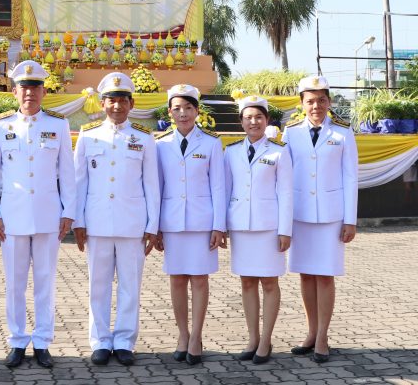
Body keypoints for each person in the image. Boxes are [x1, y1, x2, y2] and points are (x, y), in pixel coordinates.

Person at [0, 60, 76, 369]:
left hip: (49, 215)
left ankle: (43, 341)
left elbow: (68, 172)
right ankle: (17, 340)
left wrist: (69, 211)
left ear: (44, 91)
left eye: (35, 87)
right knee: (14, 282)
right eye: (24, 88)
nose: (29, 93)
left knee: (45, 281)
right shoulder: (0, 125)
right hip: (12, 216)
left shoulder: (58, 124)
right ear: (14, 92)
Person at [73, 72, 160, 366]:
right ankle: (100, 341)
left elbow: (152, 184)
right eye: (111, 100)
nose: (117, 106)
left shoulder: (144, 138)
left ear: (131, 104)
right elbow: (79, 182)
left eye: (123, 100)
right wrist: (78, 222)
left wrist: (152, 224)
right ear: (102, 103)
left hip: (132, 223)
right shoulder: (88, 135)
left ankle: (124, 341)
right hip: (97, 222)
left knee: (130, 286)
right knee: (97, 285)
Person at [283, 75, 358, 364]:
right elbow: (284, 177)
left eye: (322, 100)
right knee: (305, 274)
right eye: (311, 101)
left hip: (330, 216)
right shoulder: (291, 132)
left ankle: (324, 336)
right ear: (302, 104)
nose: (316, 106)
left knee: (325, 275)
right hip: (300, 214)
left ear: (329, 102)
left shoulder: (342, 132)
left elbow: (350, 177)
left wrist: (350, 220)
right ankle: (311, 332)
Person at [155, 83, 226, 366]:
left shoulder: (211, 143)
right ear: (169, 112)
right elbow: (157, 187)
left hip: (201, 222)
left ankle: (196, 336)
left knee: (199, 279)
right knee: (177, 280)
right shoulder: (160, 144)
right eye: (177, 109)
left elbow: (218, 187)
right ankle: (182, 335)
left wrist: (219, 226)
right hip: (172, 222)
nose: (182, 114)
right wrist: (156, 226)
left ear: (197, 111)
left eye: (188, 108)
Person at [224, 96, 293, 364]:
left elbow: (285, 193)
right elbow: (225, 189)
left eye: (259, 117)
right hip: (241, 226)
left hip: (268, 227)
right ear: (241, 122)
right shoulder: (231, 151)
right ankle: (252, 338)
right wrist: (222, 226)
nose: (254, 122)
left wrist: (285, 230)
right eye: (248, 117)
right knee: (247, 282)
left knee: (270, 282)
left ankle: (266, 340)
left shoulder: (279, 151)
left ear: (267, 120)